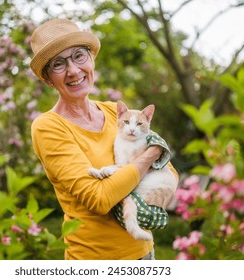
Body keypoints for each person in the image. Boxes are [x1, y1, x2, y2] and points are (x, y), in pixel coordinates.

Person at [29, 18, 178, 260]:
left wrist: (130, 185)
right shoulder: (48, 127)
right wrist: (150, 155)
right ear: (47, 78)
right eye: (58, 64)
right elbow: (100, 199)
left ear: (91, 59)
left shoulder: (115, 112)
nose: (74, 71)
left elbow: (169, 173)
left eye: (79, 55)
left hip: (144, 253)